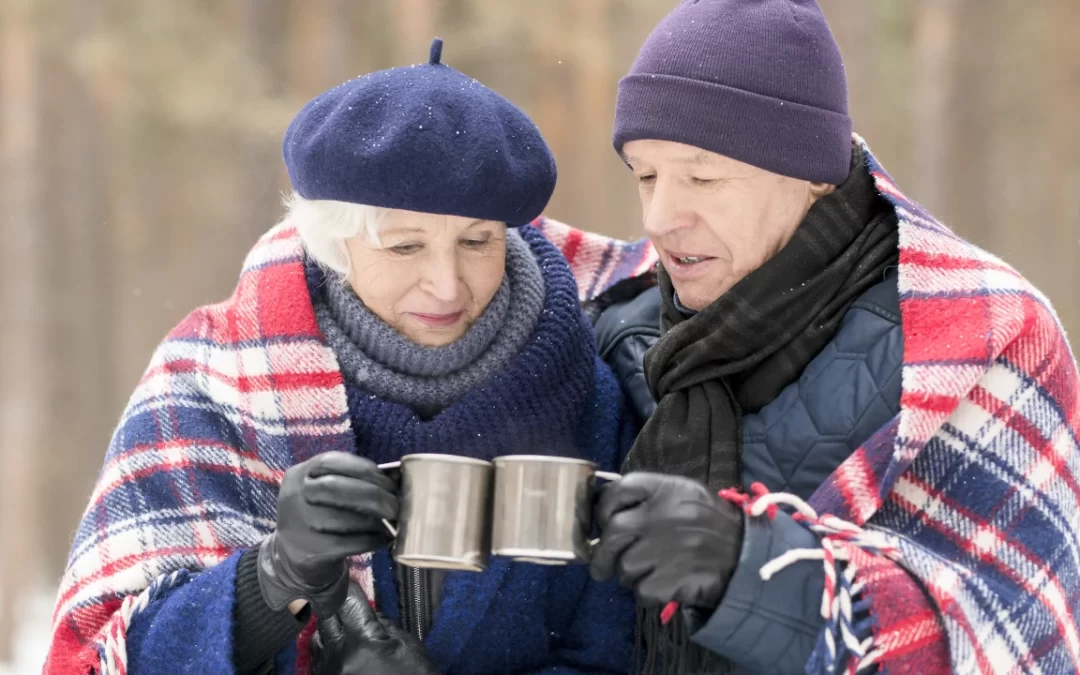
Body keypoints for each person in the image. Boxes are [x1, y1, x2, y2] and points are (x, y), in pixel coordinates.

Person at [43, 38, 638, 675]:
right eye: (405, 247)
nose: (447, 284)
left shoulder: (583, 378)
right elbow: (108, 659)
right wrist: (271, 577)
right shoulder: (212, 380)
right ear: (334, 242)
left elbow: (622, 652)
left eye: (476, 242)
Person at [578, 1, 1080, 674]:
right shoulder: (623, 322)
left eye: (702, 176)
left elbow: (1017, 634)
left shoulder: (980, 340)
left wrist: (750, 567)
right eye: (645, 175)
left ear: (813, 175)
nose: (662, 215)